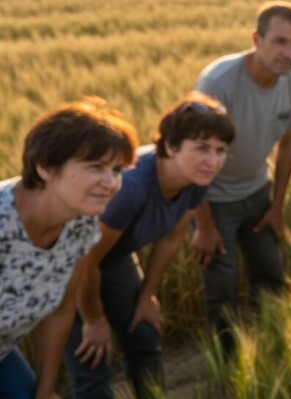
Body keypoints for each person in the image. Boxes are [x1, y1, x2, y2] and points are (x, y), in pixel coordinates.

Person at [63, 93, 234, 398]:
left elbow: (170, 239)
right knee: (92, 358)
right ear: (170, 146)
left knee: (144, 336)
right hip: (66, 263)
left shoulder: (197, 180)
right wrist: (94, 319)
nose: (213, 160)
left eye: (221, 150)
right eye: (202, 149)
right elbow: (85, 261)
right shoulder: (130, 188)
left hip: (112, 259)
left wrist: (146, 296)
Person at [192, 1, 291, 353]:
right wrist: (204, 225)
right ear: (256, 39)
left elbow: (290, 143)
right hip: (215, 202)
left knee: (271, 277)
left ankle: (271, 351)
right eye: (279, 41)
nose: (288, 53)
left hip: (259, 192)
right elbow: (195, 159)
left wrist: (277, 205)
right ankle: (229, 367)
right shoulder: (217, 83)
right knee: (222, 290)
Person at [0, 98, 136, 399]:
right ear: (46, 168)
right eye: (95, 167)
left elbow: (60, 311)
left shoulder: (82, 224)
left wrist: (45, 391)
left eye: (116, 169)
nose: (111, 182)